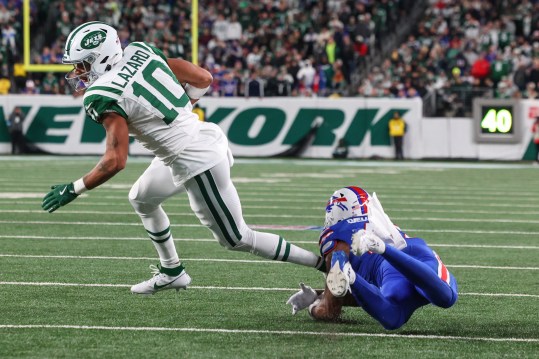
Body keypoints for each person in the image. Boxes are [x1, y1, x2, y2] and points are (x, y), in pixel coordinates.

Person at [41, 22, 326, 295]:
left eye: (82, 63)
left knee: (237, 238)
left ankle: (323, 264)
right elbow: (203, 78)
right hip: (199, 138)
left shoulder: (102, 94)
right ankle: (172, 271)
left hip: (196, 161)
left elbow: (116, 160)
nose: (78, 71)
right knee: (141, 197)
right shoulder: (141, 51)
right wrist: (181, 110)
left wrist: (75, 188)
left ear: (101, 58)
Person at [287, 186, 458, 330]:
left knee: (394, 319)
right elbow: (344, 296)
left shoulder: (336, 241)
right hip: (408, 257)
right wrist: (319, 295)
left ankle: (358, 273)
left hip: (388, 272)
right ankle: (378, 254)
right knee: (444, 297)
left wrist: (314, 307)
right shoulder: (371, 224)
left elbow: (330, 311)